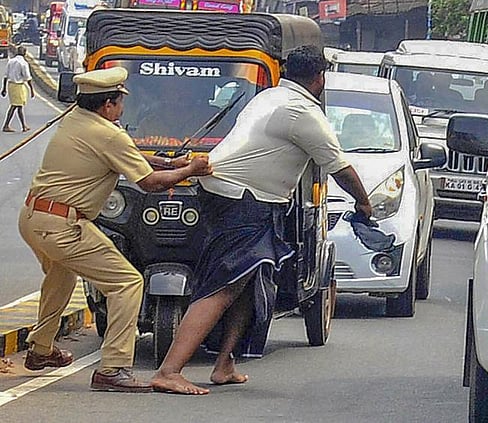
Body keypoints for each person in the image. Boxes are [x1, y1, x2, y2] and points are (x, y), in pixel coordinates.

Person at [151, 45, 372, 395]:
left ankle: (225, 362)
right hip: (244, 199)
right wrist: (365, 203)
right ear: (320, 78)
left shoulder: (268, 96)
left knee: (247, 281)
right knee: (225, 284)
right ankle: (170, 369)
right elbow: (339, 167)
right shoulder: (301, 112)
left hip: (237, 195)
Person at [18, 67, 213, 392]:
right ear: (107, 105)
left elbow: (128, 156)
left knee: (61, 276)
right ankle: (113, 367)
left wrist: (170, 163)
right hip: (64, 225)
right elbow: (148, 183)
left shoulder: (78, 121)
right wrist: (190, 170)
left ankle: (40, 349)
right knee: (126, 283)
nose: (123, 106)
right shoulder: (109, 134)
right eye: (121, 101)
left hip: (33, 218)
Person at [2, 46, 35, 132]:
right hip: (18, 85)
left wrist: (4, 88)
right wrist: (32, 90)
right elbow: (28, 78)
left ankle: (23, 126)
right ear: (24, 53)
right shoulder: (23, 63)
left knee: (18, 106)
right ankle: (6, 125)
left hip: (10, 85)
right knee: (15, 106)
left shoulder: (11, 61)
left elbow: (5, 76)